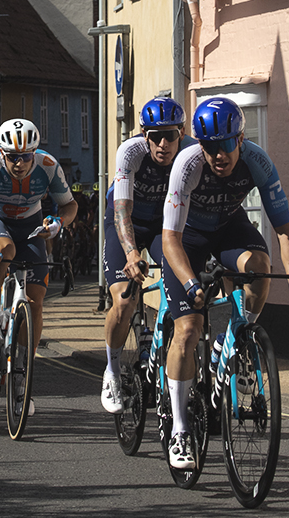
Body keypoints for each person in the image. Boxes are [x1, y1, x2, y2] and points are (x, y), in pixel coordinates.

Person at [161, 96, 289, 469]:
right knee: (188, 329)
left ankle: (236, 338)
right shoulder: (187, 165)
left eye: (226, 145)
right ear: (200, 145)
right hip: (188, 238)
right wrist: (191, 283)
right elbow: (169, 239)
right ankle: (180, 430)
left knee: (259, 265)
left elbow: (285, 229)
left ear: (240, 139)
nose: (218, 155)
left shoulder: (257, 162)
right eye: (210, 147)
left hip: (229, 228)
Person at [0, 119, 78, 412]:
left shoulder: (48, 165)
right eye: (12, 157)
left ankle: (21, 375)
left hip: (31, 226)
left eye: (25, 156)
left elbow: (70, 206)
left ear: (35, 152)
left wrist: (58, 224)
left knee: (35, 302)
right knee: (5, 250)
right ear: (1, 154)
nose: (19, 163)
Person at [100, 97, 190, 414]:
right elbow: (121, 211)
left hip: (163, 228)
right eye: (155, 136)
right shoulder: (131, 152)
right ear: (143, 134)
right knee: (124, 301)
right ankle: (111, 371)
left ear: (182, 133)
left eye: (170, 136)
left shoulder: (192, 153)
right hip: (127, 224)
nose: (163, 144)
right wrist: (130, 253)